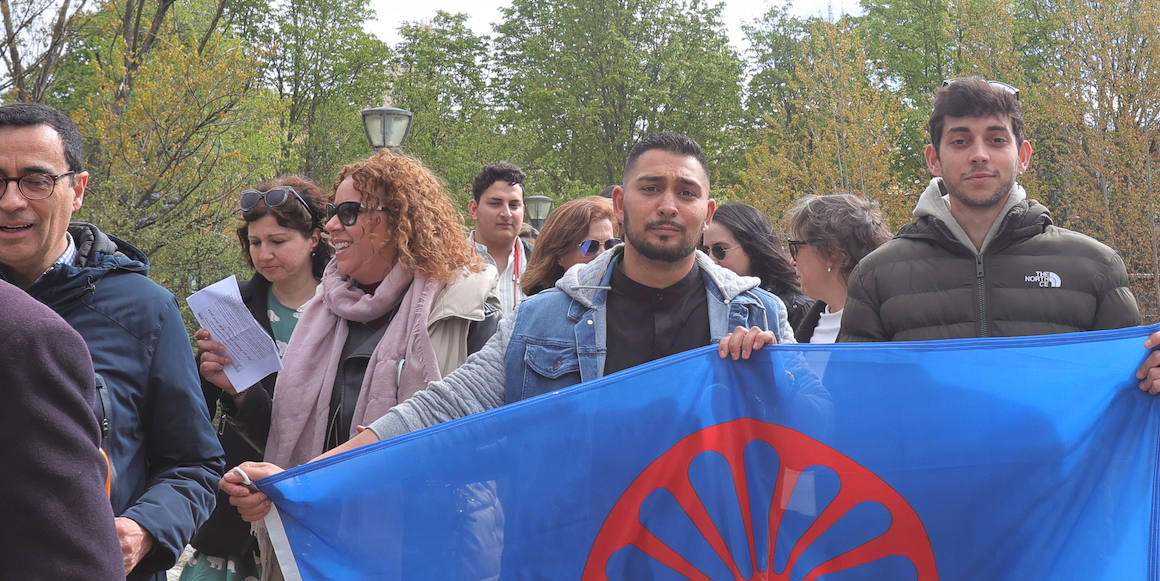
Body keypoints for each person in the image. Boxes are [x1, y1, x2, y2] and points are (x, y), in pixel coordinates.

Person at [225, 130, 791, 499]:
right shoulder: (546, 319)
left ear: (707, 210)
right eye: (651, 188)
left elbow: (817, 440)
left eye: (686, 192)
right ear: (619, 204)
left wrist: (776, 379)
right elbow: (440, 407)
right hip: (575, 579)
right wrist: (303, 478)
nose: (668, 205)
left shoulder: (760, 316)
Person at [201, 149, 498, 581]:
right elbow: (295, 446)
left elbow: (480, 439)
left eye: (347, 211)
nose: (331, 225)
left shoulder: (469, 306)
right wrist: (271, 484)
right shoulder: (323, 309)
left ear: (399, 218)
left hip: (427, 562)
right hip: (326, 561)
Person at [0, 103, 224, 581]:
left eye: (35, 179)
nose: (11, 201)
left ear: (77, 187)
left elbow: (196, 463)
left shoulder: (142, 311)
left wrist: (144, 528)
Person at [839, 76, 1160, 434]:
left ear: (1022, 156)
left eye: (996, 139)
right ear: (934, 159)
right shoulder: (878, 276)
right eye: (959, 141)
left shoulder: (1094, 268)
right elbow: (846, 414)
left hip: (1056, 491)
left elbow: (1142, 432)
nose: (979, 154)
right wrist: (777, 379)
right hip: (922, 491)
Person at [179, 176, 330, 581]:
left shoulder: (343, 309)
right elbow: (202, 417)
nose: (264, 254)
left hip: (311, 508)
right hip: (236, 512)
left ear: (314, 239)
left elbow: (321, 425)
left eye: (279, 241)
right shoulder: (233, 307)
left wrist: (247, 394)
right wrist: (208, 378)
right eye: (255, 242)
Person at [0, 275, 129, 581]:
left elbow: (191, 457)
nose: (11, 203)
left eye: (34, 192)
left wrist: (150, 528)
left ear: (76, 198)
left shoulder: (17, 336)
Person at [785, 194, 891, 343]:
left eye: (795, 247)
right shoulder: (813, 322)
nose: (792, 261)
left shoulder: (885, 326)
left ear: (831, 253)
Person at [706, 201, 816, 330]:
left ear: (752, 248)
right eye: (705, 251)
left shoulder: (798, 310)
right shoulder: (707, 306)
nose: (710, 260)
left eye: (719, 250)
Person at [519, 195, 619, 296]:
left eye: (611, 245)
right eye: (590, 246)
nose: (603, 254)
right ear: (560, 255)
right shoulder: (536, 309)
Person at [468, 161, 530, 311]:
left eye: (514, 205)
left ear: (523, 210)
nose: (506, 214)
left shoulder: (542, 264)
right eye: (495, 204)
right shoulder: (447, 263)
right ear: (474, 209)